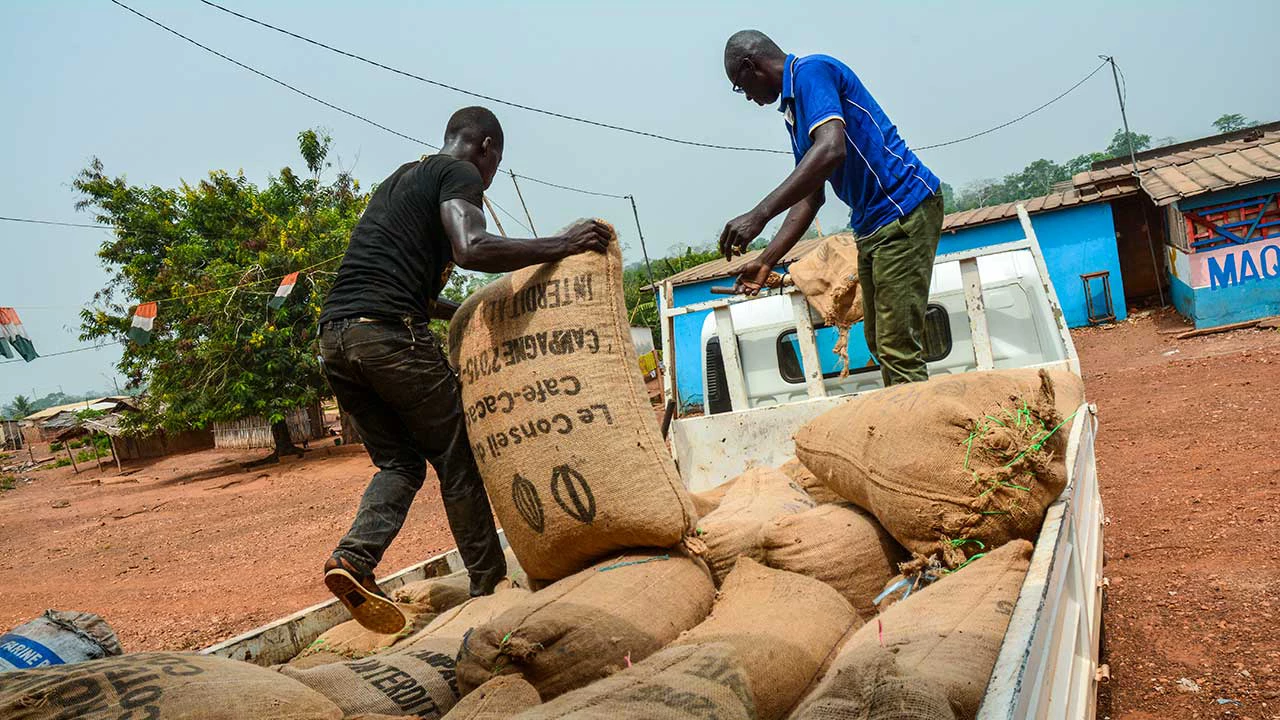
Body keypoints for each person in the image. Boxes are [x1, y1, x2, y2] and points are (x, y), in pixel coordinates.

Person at [318, 106, 612, 633]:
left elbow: (397, 280)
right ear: (487, 149)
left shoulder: (400, 180)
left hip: (336, 339)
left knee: (400, 465)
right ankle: (488, 584)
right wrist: (562, 245)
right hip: (389, 334)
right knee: (459, 455)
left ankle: (354, 558)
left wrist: (462, 313)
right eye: (494, 164)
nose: (490, 178)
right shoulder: (458, 173)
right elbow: (472, 247)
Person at [719, 30, 944, 387]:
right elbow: (811, 196)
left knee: (897, 347)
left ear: (751, 66)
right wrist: (767, 260)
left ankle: (922, 439)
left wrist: (759, 214)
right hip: (873, 225)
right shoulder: (794, 111)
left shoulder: (811, 73)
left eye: (739, 85)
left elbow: (831, 150)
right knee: (880, 342)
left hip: (903, 208)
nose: (745, 96)